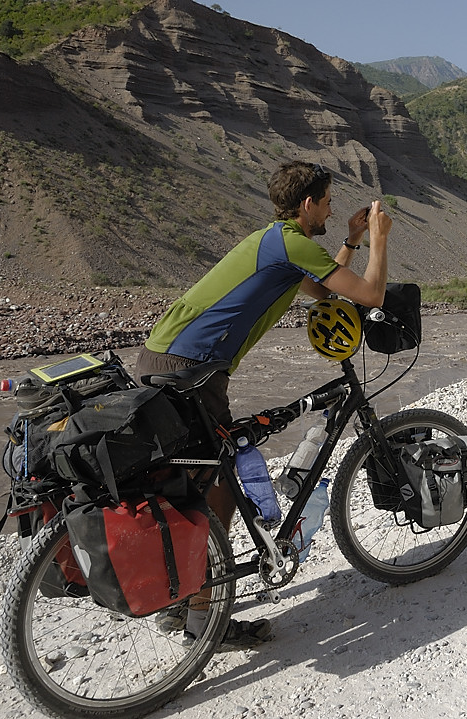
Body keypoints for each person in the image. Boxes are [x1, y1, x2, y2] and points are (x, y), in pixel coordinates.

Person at [138, 161, 394, 646]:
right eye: (327, 202)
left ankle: (183, 600)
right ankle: (200, 621)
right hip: (189, 371)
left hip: (171, 359)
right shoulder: (290, 243)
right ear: (307, 205)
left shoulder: (277, 242)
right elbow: (372, 293)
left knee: (197, 481)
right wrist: (380, 235)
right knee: (218, 484)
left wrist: (352, 238)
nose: (331, 208)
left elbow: (321, 290)